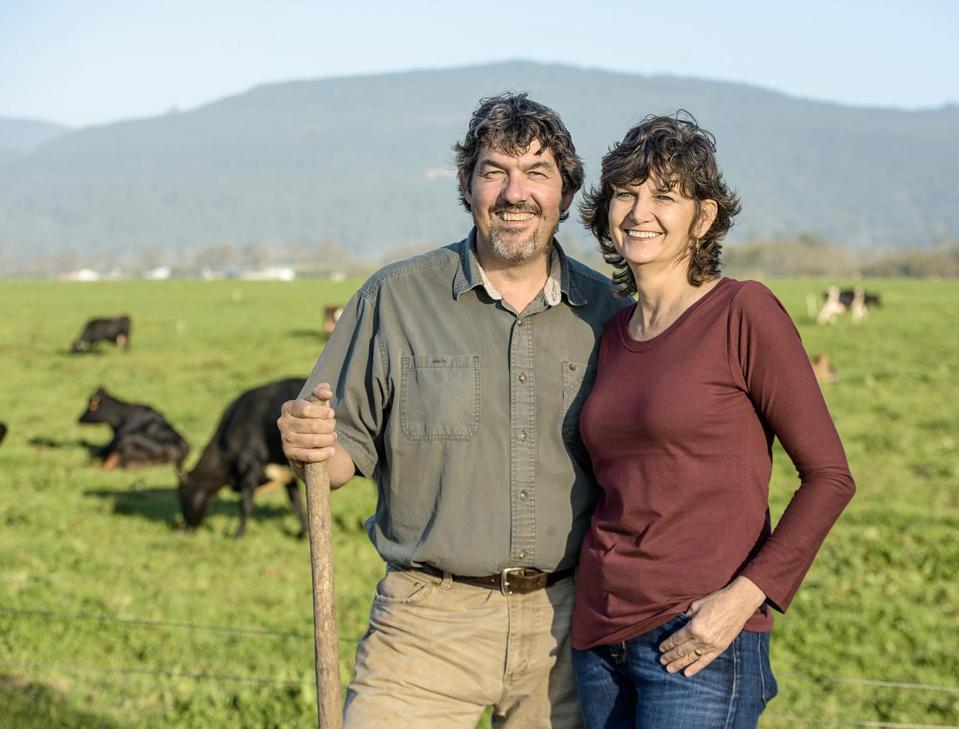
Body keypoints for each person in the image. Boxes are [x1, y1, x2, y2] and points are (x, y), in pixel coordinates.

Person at [278, 92, 626, 728]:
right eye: (494, 171)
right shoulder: (395, 299)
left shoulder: (611, 316)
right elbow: (338, 454)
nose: (514, 192)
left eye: (537, 173)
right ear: (467, 186)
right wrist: (309, 442)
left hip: (570, 629)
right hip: (424, 627)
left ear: (566, 196)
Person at [570, 113, 856, 728]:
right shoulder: (616, 330)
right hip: (600, 640)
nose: (639, 210)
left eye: (664, 195)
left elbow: (830, 477)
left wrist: (741, 601)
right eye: (626, 192)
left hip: (700, 641)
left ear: (703, 218)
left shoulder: (741, 312)